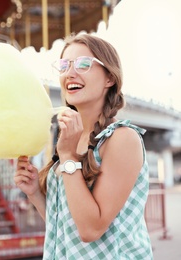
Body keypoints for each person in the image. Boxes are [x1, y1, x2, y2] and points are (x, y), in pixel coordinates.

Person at [14, 33, 153, 259]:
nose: (70, 73)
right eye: (64, 65)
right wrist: (35, 194)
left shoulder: (122, 139)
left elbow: (90, 229)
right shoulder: (73, 137)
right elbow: (68, 226)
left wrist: (68, 156)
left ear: (110, 78)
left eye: (83, 64)